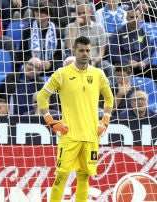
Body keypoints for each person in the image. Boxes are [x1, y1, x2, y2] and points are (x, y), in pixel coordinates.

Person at [36, 36, 114, 201]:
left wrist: (105, 120)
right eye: (81, 50)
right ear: (74, 51)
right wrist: (49, 120)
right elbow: (42, 97)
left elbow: (110, 98)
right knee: (60, 177)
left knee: (84, 177)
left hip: (91, 135)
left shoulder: (98, 74)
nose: (85, 54)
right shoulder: (62, 74)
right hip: (69, 135)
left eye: (88, 50)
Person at [64, 0, 114, 78]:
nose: (81, 15)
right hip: (75, 60)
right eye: (79, 14)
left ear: (90, 12)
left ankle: (111, 88)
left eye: (83, 12)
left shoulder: (99, 28)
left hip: (95, 60)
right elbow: (70, 47)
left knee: (109, 67)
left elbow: (101, 51)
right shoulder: (70, 27)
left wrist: (94, 61)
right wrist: (75, 26)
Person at [108, 5, 156, 79]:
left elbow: (148, 55)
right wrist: (128, 62)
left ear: (140, 18)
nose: (134, 19)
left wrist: (143, 63)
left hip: (140, 67)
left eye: (136, 17)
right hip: (123, 66)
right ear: (127, 18)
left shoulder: (144, 34)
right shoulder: (118, 32)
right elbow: (114, 54)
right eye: (131, 17)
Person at [19, 1, 64, 74]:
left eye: (42, 12)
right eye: (37, 11)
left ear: (49, 15)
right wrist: (33, 61)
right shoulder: (27, 30)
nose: (38, 14)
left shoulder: (56, 31)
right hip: (32, 64)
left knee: (61, 67)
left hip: (49, 66)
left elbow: (59, 55)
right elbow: (21, 53)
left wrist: (50, 62)